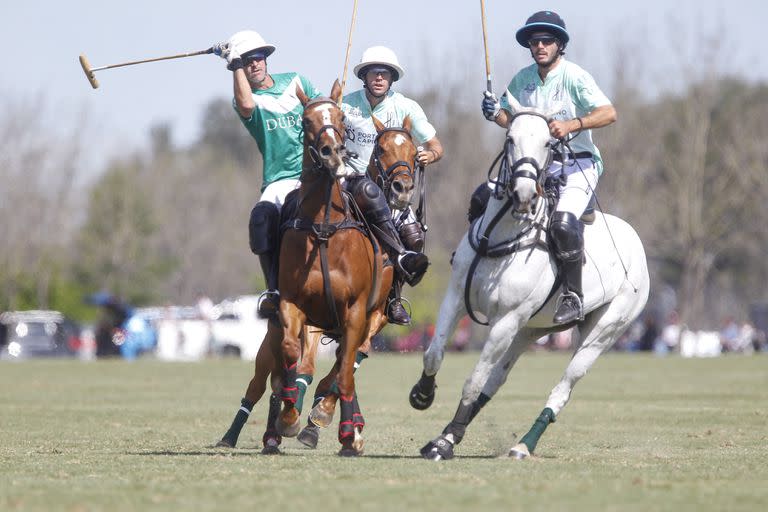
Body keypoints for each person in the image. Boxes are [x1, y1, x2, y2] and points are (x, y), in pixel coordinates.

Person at [480, 11, 617, 325]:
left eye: (547, 40)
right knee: (482, 199)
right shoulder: (522, 79)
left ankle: (573, 295)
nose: (540, 45)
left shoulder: (575, 77)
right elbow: (508, 120)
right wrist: (493, 113)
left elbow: (609, 113)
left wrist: (574, 123)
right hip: (535, 167)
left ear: (560, 44)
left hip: (577, 164)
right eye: (534, 41)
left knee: (563, 224)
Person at [214, 31, 322, 318]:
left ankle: (395, 265)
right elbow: (247, 104)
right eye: (247, 62)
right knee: (261, 217)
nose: (254, 65)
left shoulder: (297, 81)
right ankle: (274, 289)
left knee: (365, 201)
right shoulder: (246, 100)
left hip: (318, 172)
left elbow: (324, 111)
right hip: (281, 179)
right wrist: (233, 63)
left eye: (257, 58)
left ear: (266, 59)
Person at [341, 46, 444, 325]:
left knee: (414, 238)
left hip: (387, 193)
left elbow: (435, 146)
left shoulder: (406, 108)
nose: (379, 78)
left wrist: (428, 154)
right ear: (364, 76)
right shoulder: (345, 103)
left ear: (391, 79)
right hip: (346, 182)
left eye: (384, 74)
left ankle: (394, 299)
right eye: (373, 72)